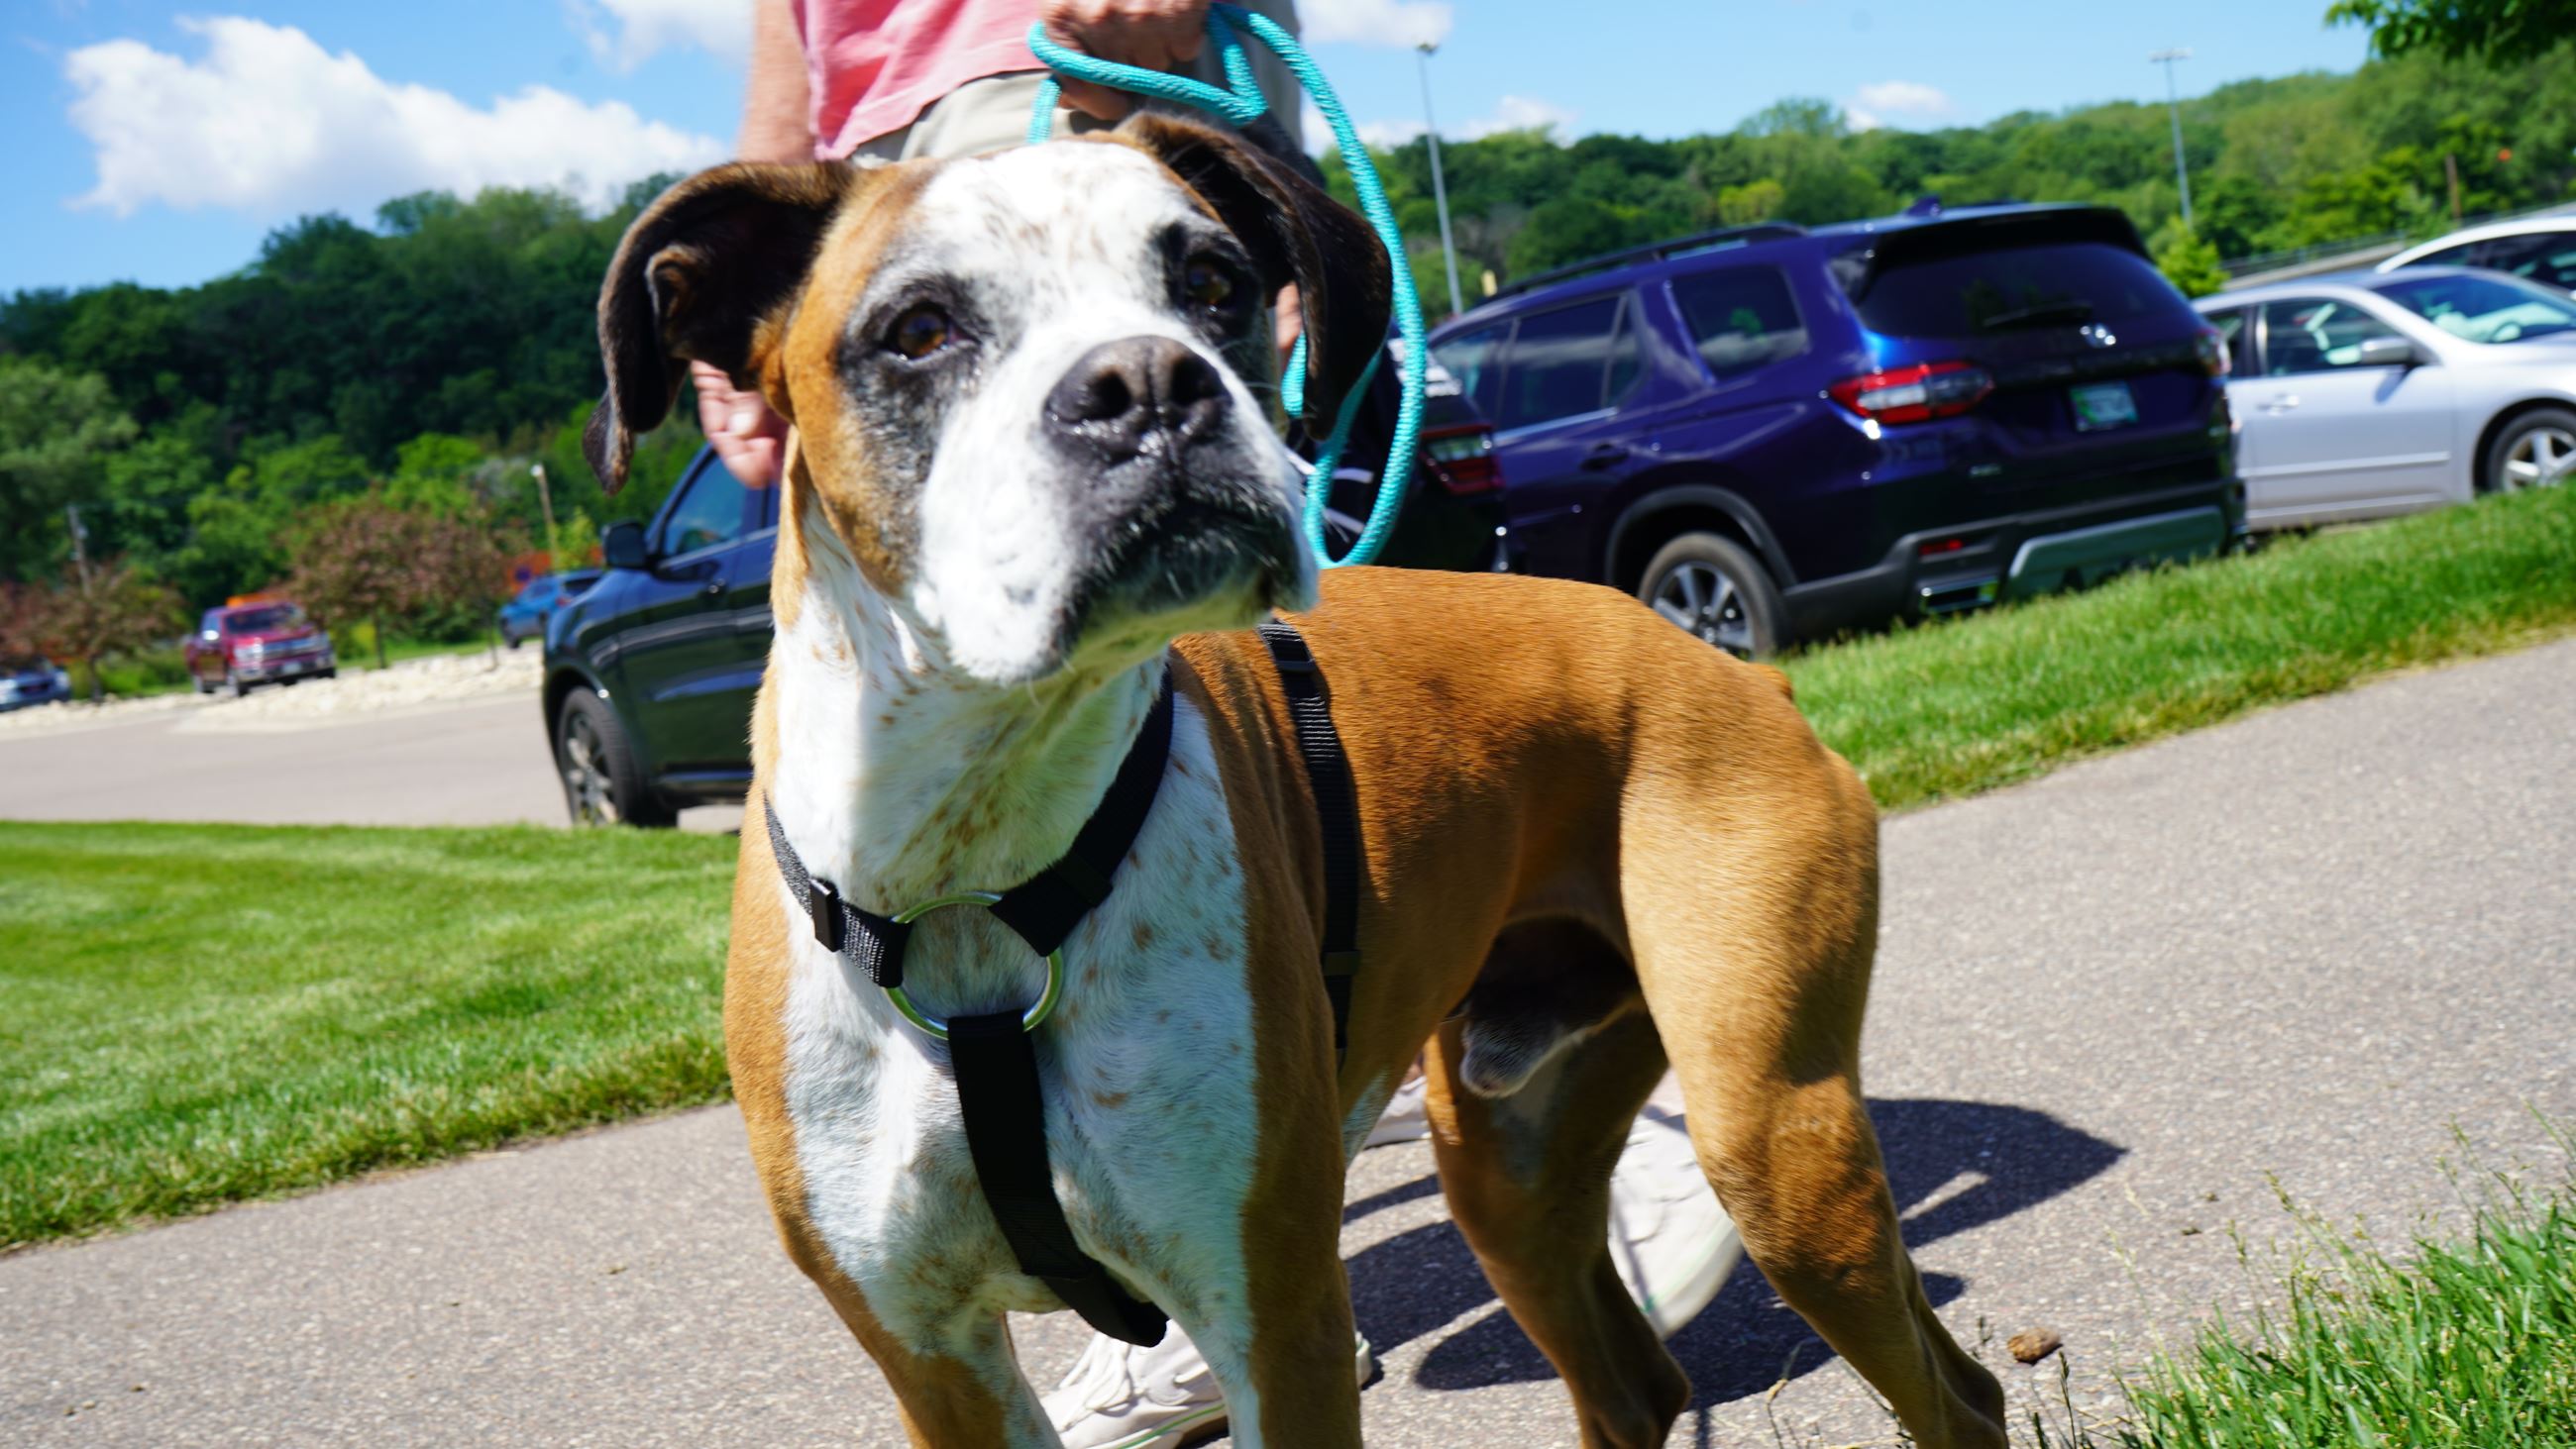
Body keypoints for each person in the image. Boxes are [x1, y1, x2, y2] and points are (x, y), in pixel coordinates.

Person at [716, 5, 1744, 1444]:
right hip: (863, 163)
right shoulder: (807, 284)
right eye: (933, 336)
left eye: (1203, 297)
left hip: (1081, 65)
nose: (1152, 381)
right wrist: (767, 216)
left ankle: (1284, 1213)